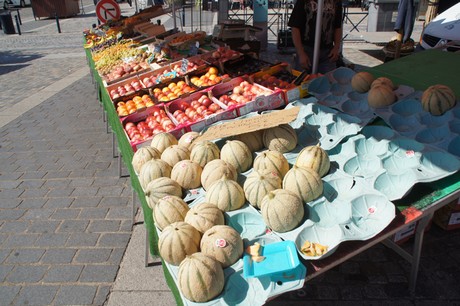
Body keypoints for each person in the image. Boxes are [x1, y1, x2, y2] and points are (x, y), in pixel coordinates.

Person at [288, 0, 343, 74]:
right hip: (307, 49)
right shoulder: (303, 2)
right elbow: (295, 27)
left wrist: (336, 48)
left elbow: (338, 27)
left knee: (328, 82)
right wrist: (301, 53)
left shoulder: (336, 2)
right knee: (302, 81)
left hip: (328, 52)